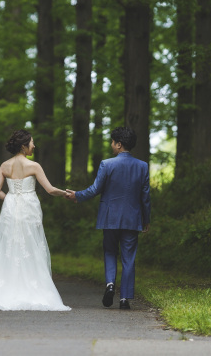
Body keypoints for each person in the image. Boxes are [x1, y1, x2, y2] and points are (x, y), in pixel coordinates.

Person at [0, 129, 71, 311]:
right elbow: (50, 189)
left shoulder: (4, 166)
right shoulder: (34, 166)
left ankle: (5, 289)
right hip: (29, 207)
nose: (34, 146)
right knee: (31, 244)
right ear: (24, 146)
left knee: (9, 244)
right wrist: (66, 193)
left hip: (11, 206)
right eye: (31, 143)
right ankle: (32, 287)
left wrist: (10, 199)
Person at [67, 126, 151, 310]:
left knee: (110, 252)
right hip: (132, 219)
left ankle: (110, 285)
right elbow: (145, 196)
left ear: (119, 144)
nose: (112, 145)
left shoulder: (107, 164)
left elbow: (95, 189)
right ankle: (124, 299)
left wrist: (77, 195)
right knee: (129, 257)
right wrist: (146, 219)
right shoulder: (142, 166)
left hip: (110, 218)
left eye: (113, 142)